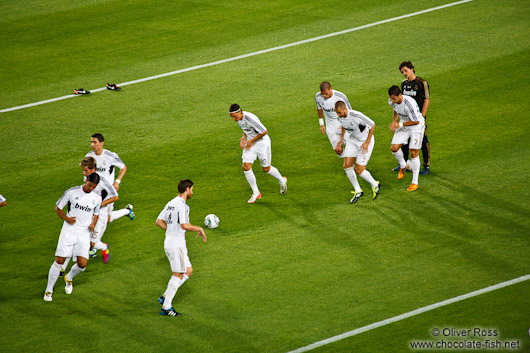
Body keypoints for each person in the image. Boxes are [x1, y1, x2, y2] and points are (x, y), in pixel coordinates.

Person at [43, 173, 102, 302]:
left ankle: (68, 278)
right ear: (86, 180)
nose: (91, 188)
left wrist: (93, 224)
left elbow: (96, 214)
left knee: (82, 264)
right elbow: (58, 207)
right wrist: (66, 218)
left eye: (94, 187)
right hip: (69, 230)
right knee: (60, 259)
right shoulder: (72, 192)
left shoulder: (97, 198)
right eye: (90, 185)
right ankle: (49, 290)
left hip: (84, 233)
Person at [156, 179, 207, 317]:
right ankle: (166, 307)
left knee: (188, 271)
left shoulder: (171, 203)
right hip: (176, 245)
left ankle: (166, 295)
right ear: (187, 189)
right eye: (192, 189)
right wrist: (199, 228)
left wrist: (171, 230)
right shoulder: (182, 205)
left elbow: (159, 221)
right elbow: (184, 225)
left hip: (173, 243)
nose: (192, 192)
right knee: (178, 274)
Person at [229, 104, 287, 203]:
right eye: (232, 117)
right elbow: (245, 129)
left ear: (240, 112)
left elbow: (264, 131)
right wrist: (244, 138)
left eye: (234, 116)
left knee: (266, 169)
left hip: (262, 143)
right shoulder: (239, 119)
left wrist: (251, 141)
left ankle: (282, 180)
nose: (234, 119)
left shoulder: (250, 118)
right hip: (251, 143)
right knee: (246, 166)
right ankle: (256, 192)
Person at [334, 101, 380, 203]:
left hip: (365, 142)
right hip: (352, 140)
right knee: (347, 166)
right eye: (336, 113)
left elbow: (372, 125)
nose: (338, 115)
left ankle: (375, 184)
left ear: (345, 108)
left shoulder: (357, 115)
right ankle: (358, 190)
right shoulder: (340, 118)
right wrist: (341, 140)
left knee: (359, 170)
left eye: (339, 112)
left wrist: (367, 143)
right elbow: (344, 127)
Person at [392, 61, 431, 175]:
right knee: (404, 141)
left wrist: (422, 116)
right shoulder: (404, 84)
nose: (404, 73)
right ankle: (403, 163)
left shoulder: (421, 82)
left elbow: (426, 99)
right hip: (406, 117)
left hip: (418, 117)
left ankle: (426, 165)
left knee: (422, 140)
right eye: (402, 72)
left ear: (412, 69)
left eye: (406, 71)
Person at [86, 133, 135, 222]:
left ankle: (127, 211)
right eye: (91, 142)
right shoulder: (89, 156)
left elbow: (123, 167)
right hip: (94, 189)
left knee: (106, 219)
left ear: (102, 143)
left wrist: (117, 181)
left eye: (95, 142)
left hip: (108, 191)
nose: (92, 145)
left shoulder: (110, 156)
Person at [388, 85, 425, 191]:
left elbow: (416, 121)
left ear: (400, 95)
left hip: (416, 126)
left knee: (414, 152)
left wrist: (398, 125)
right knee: (394, 148)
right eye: (391, 98)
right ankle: (404, 165)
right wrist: (395, 121)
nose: (392, 100)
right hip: (404, 124)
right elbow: (395, 109)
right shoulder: (392, 101)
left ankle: (415, 182)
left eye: (394, 98)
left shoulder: (409, 104)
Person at [315, 82, 352, 157]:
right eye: (323, 94)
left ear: (331, 89)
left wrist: (347, 124)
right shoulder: (318, 97)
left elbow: (350, 111)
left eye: (326, 93)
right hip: (330, 126)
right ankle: (350, 166)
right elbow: (319, 108)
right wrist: (321, 124)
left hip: (342, 124)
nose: (324, 96)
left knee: (351, 147)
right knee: (338, 150)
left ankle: (355, 167)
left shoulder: (340, 96)